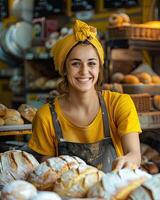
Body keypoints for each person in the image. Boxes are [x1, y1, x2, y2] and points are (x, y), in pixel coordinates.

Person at [28, 19, 142, 173]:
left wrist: (128, 160)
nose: (84, 71)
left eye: (91, 63)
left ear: (99, 68)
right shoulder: (46, 116)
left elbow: (134, 154)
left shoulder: (119, 104)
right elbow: (47, 169)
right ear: (64, 69)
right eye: (75, 63)